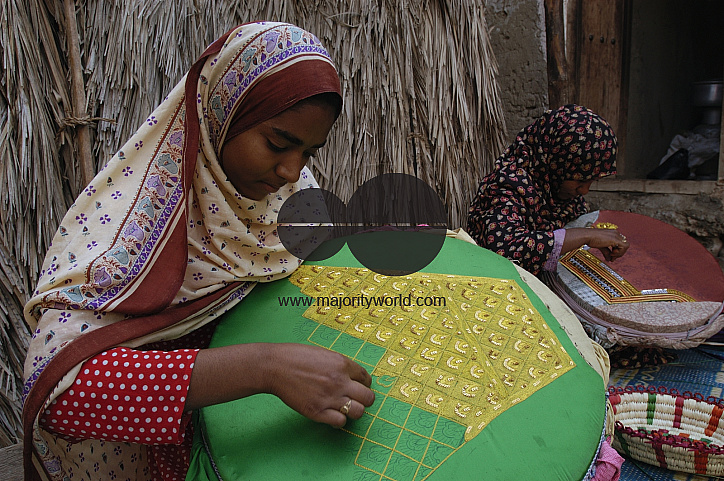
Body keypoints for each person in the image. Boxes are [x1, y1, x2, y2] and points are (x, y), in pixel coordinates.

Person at [22, 22, 375, 481]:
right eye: (277, 144)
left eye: (309, 153)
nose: (292, 171)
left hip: (250, 437)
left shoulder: (285, 198)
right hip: (148, 459)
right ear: (221, 117)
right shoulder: (131, 228)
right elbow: (58, 390)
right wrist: (264, 367)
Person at [467, 104, 629, 276]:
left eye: (593, 181)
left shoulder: (557, 191)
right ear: (555, 164)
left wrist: (590, 240)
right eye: (580, 180)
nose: (584, 191)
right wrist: (585, 236)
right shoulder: (507, 186)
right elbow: (504, 249)